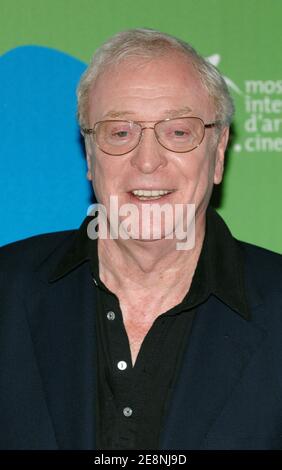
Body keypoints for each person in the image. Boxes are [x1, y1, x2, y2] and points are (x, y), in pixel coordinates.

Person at [0, 28, 281, 451]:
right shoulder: (6, 289)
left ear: (219, 151)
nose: (148, 161)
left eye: (179, 132)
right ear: (90, 155)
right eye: (120, 132)